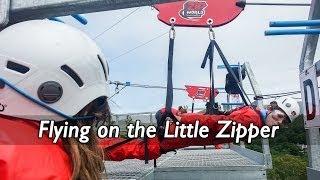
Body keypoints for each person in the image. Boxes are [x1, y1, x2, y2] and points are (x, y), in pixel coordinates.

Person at [0, 20, 110, 180]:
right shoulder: (40, 164)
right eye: (89, 108)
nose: (94, 116)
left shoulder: (21, 142)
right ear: (49, 93)